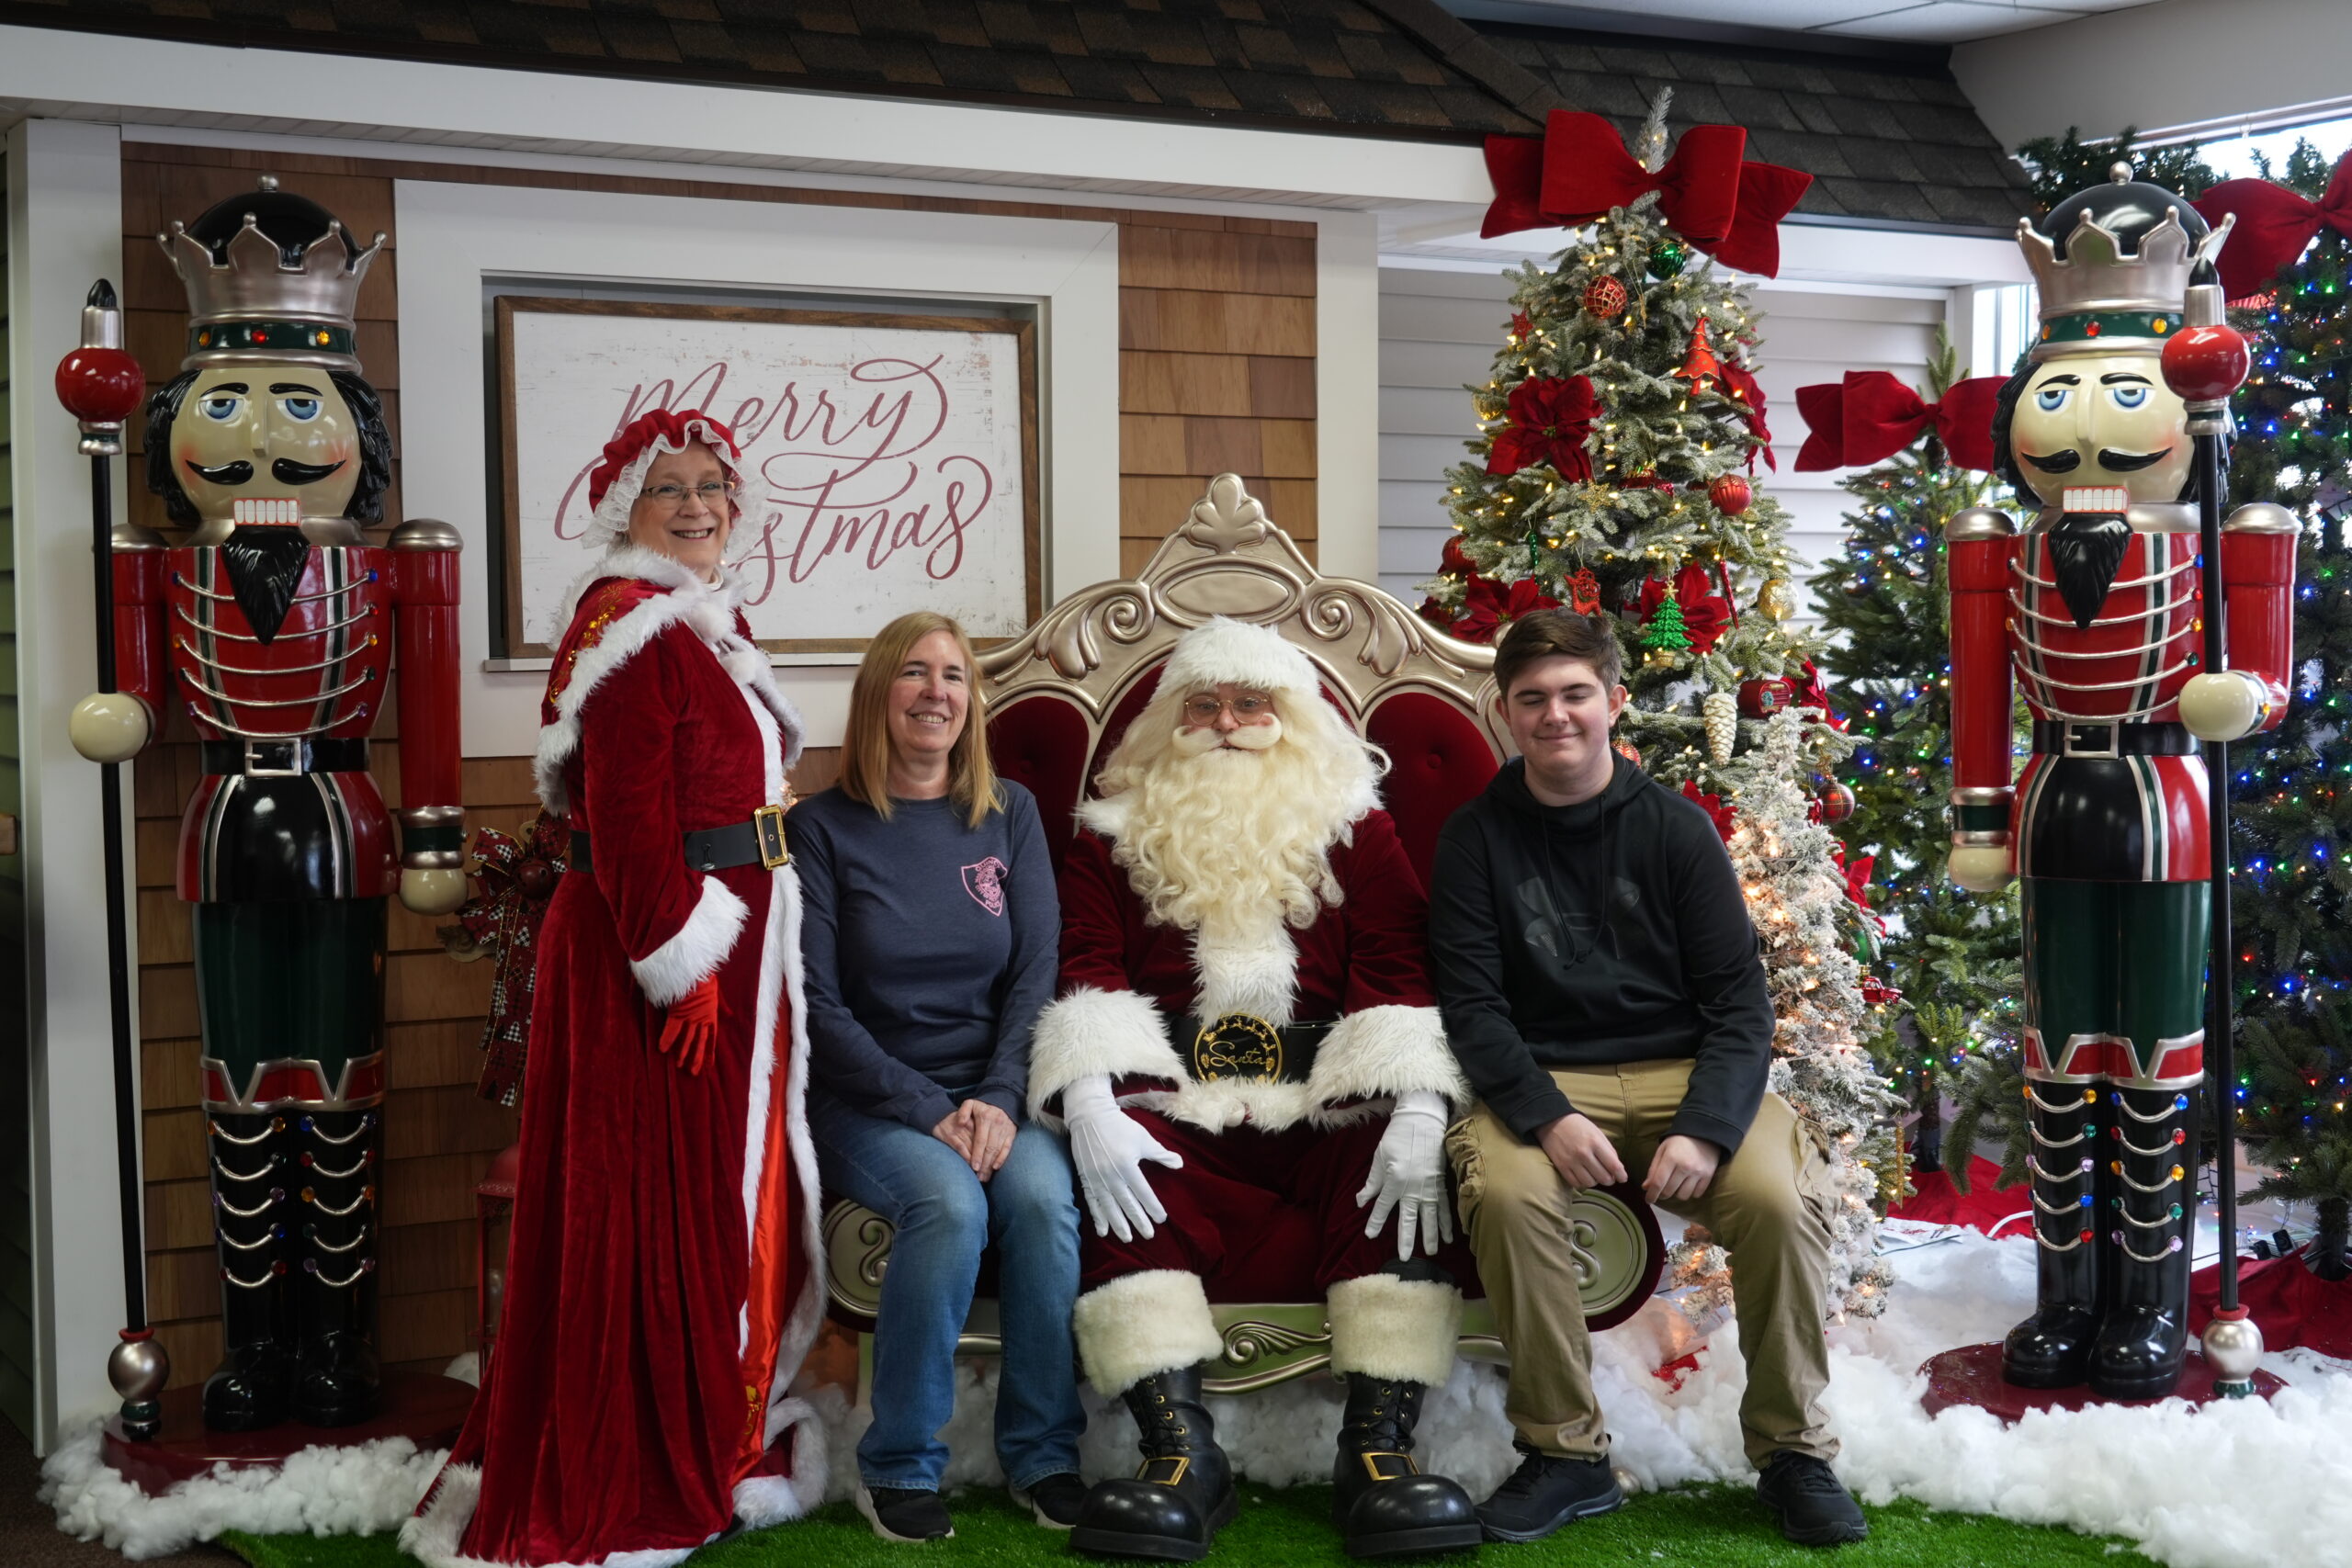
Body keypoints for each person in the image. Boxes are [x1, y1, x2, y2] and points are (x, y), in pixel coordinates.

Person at [405, 410, 825, 1568]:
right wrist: (678, 969)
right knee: (658, 1201)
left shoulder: (696, 621)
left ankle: (705, 1410)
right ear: (624, 512)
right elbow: (631, 822)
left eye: (713, 486)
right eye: (668, 489)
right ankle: (644, 1444)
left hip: (715, 945)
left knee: (700, 1193)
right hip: (667, 960)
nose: (697, 506)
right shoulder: (636, 628)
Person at [1029, 615, 1483, 1562]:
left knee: (1396, 1173)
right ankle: (1179, 1454)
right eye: (1203, 705)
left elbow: (1400, 966)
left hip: (1323, 1104)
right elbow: (1085, 966)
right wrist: (1090, 1103)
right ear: (1169, 721)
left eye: (1249, 703)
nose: (1227, 723)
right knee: (1128, 1180)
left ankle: (1378, 1451)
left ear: (1294, 720)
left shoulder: (1356, 828)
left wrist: (1416, 1105)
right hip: (1178, 1102)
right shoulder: (1112, 836)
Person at [1427, 609, 1869, 1548]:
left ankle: (1792, 1451)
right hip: (1548, 1080)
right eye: (1532, 698)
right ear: (1504, 711)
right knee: (1504, 1193)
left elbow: (1741, 1005)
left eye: (1575, 693)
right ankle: (1566, 1455)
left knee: (1780, 1199)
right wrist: (1544, 1116)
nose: (1555, 715)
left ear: (1614, 701)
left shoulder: (1676, 831)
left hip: (1686, 1073)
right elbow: (1473, 1008)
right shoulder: (1472, 839)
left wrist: (1706, 1127)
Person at [793, 611, 1086, 1543]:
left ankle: (1043, 1454)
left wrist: (996, 1099)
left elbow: (1034, 973)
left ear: (972, 701)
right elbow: (816, 1005)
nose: (936, 692)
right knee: (949, 1205)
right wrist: (929, 1110)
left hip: (991, 1092)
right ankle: (898, 1464)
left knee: (1041, 1199)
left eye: (954, 675)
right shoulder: (819, 828)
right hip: (868, 1099)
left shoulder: (1010, 814)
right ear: (878, 694)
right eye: (914, 673)